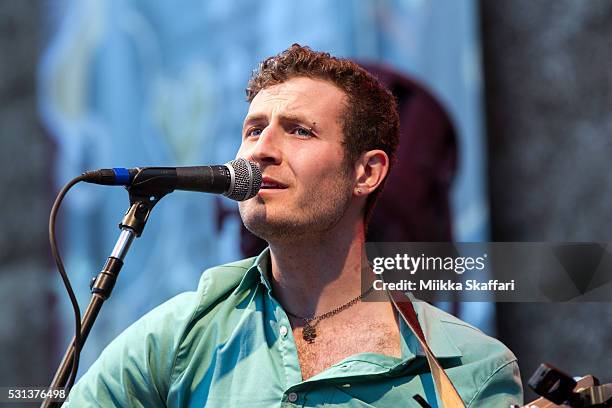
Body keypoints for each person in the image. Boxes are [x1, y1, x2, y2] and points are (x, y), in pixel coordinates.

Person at [64, 44, 523, 407]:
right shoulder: (178, 334)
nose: (261, 149)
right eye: (253, 129)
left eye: (300, 130)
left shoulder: (471, 368)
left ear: (367, 173)